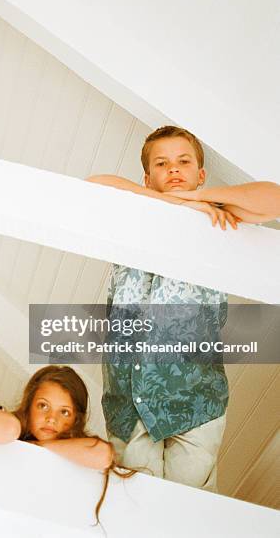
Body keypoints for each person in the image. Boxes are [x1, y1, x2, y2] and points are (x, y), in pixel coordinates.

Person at [87, 125, 280, 490]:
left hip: (195, 402)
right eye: (162, 164)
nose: (173, 169)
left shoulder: (219, 220)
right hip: (128, 402)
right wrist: (176, 201)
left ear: (200, 173)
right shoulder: (130, 218)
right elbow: (94, 183)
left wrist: (202, 199)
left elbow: (275, 198)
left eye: (183, 161)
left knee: (188, 511)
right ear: (147, 178)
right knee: (137, 505)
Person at [14, 366, 133, 525]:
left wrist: (37, 445)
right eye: (43, 406)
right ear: (29, 406)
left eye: (64, 412)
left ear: (76, 419)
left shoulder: (81, 449)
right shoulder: (12, 436)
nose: (51, 418)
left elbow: (104, 454)